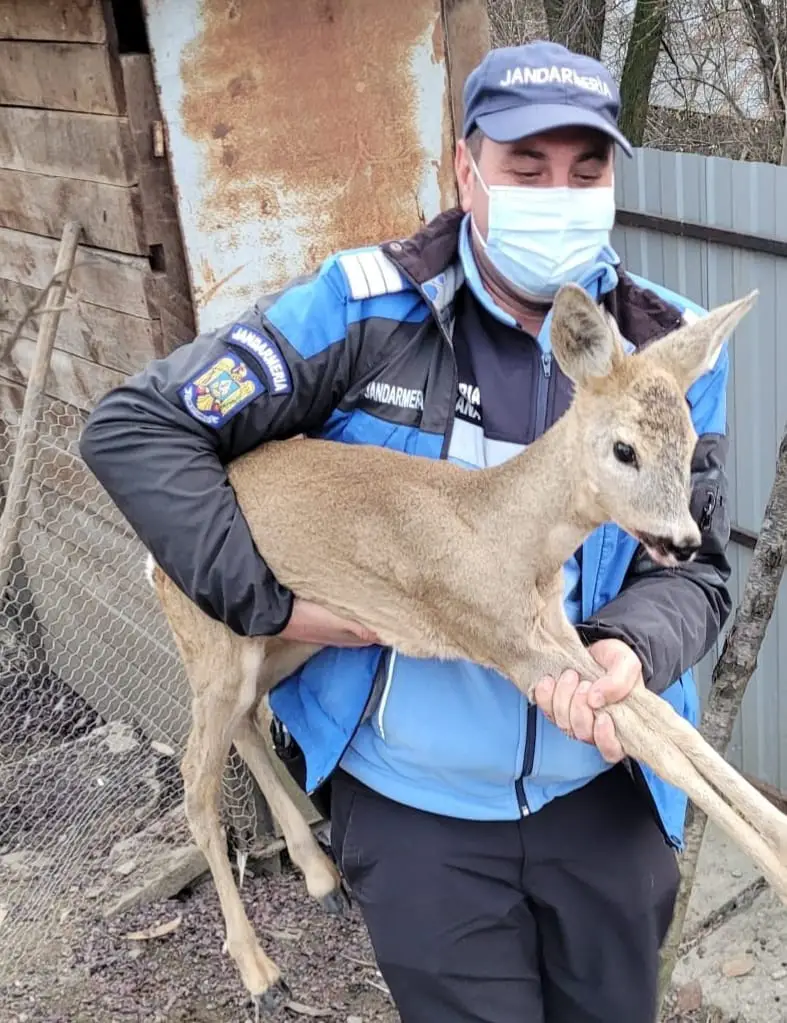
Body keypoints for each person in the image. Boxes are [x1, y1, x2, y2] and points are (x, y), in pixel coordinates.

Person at [80, 39, 732, 1023]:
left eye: (584, 169)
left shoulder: (666, 350)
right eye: (525, 166)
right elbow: (136, 429)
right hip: (417, 811)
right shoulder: (357, 310)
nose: (557, 191)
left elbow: (700, 562)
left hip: (604, 789)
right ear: (466, 170)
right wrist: (270, 604)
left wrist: (629, 648)